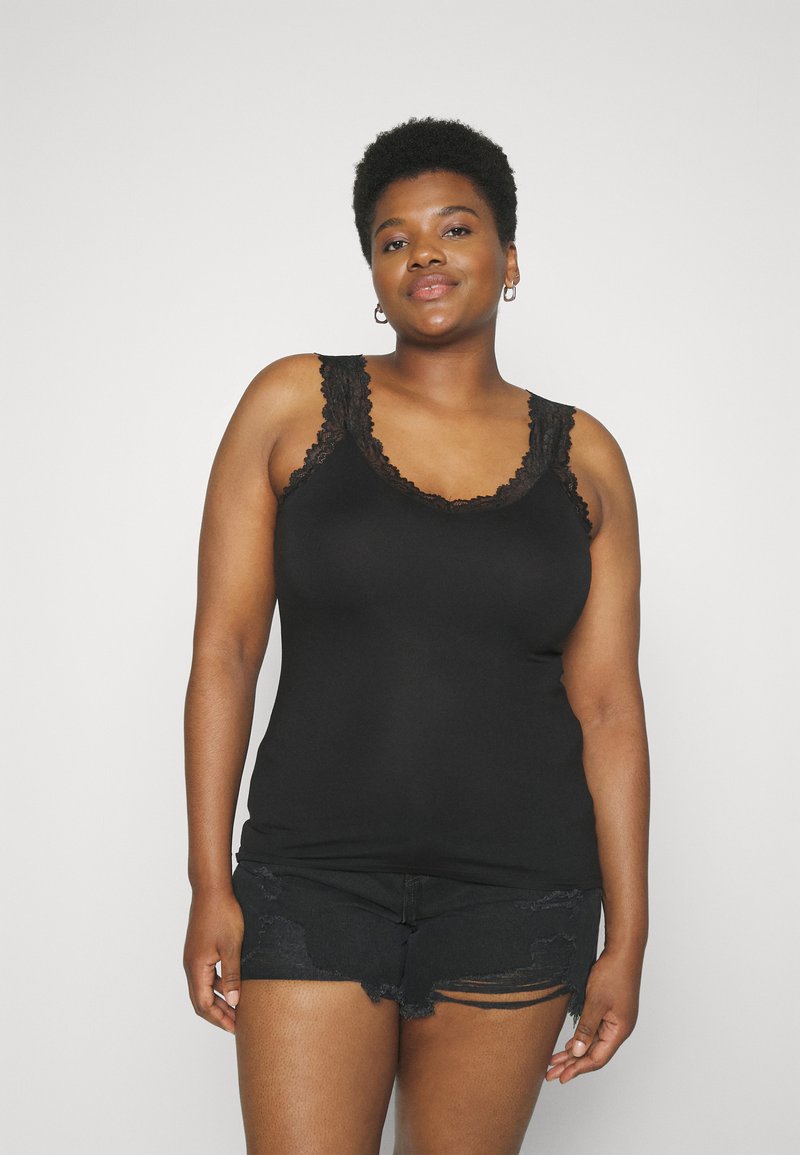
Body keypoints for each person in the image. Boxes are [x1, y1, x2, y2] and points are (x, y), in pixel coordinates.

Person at [183, 116, 649, 1155]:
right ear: (374, 274)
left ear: (509, 259)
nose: (423, 254)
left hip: (518, 892)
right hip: (314, 880)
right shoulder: (292, 404)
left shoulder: (587, 460)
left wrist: (628, 933)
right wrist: (209, 880)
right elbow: (225, 653)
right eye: (393, 240)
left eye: (455, 228)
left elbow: (609, 708)